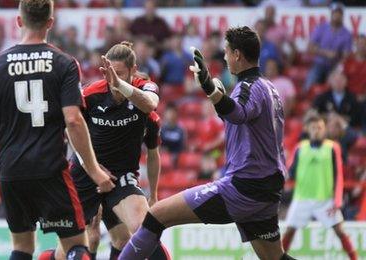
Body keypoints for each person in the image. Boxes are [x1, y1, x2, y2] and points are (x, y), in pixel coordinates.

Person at [119, 26, 294, 260]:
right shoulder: (269, 87)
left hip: (245, 186)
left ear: (237, 55)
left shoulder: (248, 87)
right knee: (275, 258)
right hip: (268, 187)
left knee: (156, 215)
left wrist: (210, 89)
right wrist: (217, 94)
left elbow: (239, 113)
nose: (224, 57)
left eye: (226, 52)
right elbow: (242, 119)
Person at [0, 1, 115, 259]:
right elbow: (74, 120)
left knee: (22, 247)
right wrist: (93, 170)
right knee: (75, 246)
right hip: (50, 170)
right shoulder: (64, 63)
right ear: (50, 23)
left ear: (19, 21)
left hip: (12, 170)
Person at [42, 43, 162, 259]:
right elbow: (70, 128)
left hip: (121, 176)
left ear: (134, 70)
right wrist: (93, 168)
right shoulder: (90, 95)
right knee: (82, 244)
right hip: (86, 173)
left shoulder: (146, 93)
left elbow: (150, 106)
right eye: (110, 74)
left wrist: (152, 194)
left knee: (145, 231)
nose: (113, 80)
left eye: (120, 74)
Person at [282, 115, 357, 260]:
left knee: (340, 231)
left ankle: (354, 258)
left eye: (320, 128)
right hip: (302, 199)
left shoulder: (332, 147)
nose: (317, 130)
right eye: (314, 127)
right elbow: (289, 171)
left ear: (324, 129)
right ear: (307, 129)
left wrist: (337, 201)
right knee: (289, 232)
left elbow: (338, 175)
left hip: (325, 199)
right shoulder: (300, 147)